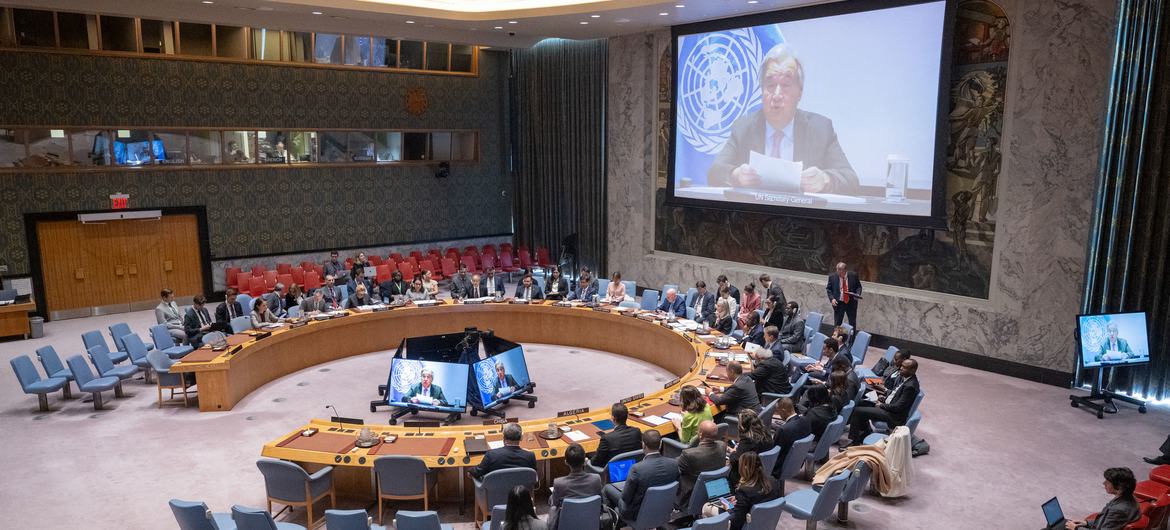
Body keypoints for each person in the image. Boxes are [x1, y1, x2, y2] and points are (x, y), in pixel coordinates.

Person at [706, 43, 858, 194]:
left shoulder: (820, 129)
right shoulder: (743, 128)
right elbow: (715, 173)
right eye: (770, 85)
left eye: (786, 85)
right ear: (762, 90)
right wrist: (736, 175)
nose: (777, 95)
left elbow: (851, 180)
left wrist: (825, 180)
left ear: (800, 92)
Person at [604, 430, 679, 524]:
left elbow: (626, 498)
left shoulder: (637, 468)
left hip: (636, 513)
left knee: (607, 488)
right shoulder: (674, 464)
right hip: (663, 508)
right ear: (660, 445)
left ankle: (613, 522)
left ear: (643, 445)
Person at [847, 359, 920, 446]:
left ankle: (854, 443)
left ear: (912, 370)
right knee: (862, 402)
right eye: (901, 366)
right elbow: (895, 393)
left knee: (858, 411)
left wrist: (881, 405)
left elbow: (898, 407)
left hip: (893, 415)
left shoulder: (910, 386)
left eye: (904, 367)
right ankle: (866, 432)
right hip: (888, 406)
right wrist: (884, 397)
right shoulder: (904, 377)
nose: (900, 368)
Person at [1064, 468, 1141, 530]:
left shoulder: (1119, 510)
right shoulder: (1127, 496)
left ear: (1119, 487)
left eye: (1107, 482)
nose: (1104, 483)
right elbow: (1107, 521)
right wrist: (1087, 523)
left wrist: (1077, 528)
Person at [675, 420, 728, 509]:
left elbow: (673, 467)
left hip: (692, 495)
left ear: (700, 435)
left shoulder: (689, 454)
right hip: (716, 490)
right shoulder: (722, 446)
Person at [550, 444, 603, 530]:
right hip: (590, 522)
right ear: (585, 461)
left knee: (551, 501)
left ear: (566, 462)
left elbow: (555, 504)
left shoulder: (559, 483)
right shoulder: (596, 479)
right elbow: (601, 501)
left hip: (567, 524)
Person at [728, 451, 782, 530]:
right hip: (766, 523)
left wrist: (729, 509)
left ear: (744, 468)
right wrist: (738, 499)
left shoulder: (744, 491)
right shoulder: (774, 481)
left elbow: (736, 524)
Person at [472, 422, 537, 479]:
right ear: (521, 438)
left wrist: (469, 471)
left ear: (504, 438)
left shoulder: (491, 455)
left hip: (496, 491)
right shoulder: (530, 456)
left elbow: (476, 473)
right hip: (522, 491)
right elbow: (536, 477)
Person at [727, 409, 774, 487]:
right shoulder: (767, 433)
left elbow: (736, 461)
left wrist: (732, 453)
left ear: (742, 425)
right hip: (763, 470)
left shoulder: (747, 440)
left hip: (749, 473)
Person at [770, 398, 811, 486]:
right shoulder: (805, 421)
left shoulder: (783, 430)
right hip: (796, 463)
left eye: (778, 411)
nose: (778, 415)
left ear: (783, 410)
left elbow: (774, 453)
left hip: (780, 468)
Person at [749, 329, 792, 396]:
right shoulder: (772, 359)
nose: (763, 337)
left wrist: (737, 375)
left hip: (775, 391)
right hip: (779, 384)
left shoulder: (766, 364)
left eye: (757, 359)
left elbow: (753, 375)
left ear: (760, 359)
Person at [826, 262, 862, 327]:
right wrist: (832, 299)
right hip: (839, 303)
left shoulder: (853, 275)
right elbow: (829, 289)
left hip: (851, 302)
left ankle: (851, 337)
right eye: (837, 270)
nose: (838, 272)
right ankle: (838, 336)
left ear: (845, 270)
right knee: (838, 323)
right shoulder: (832, 277)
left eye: (840, 270)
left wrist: (857, 294)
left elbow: (859, 287)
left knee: (852, 323)